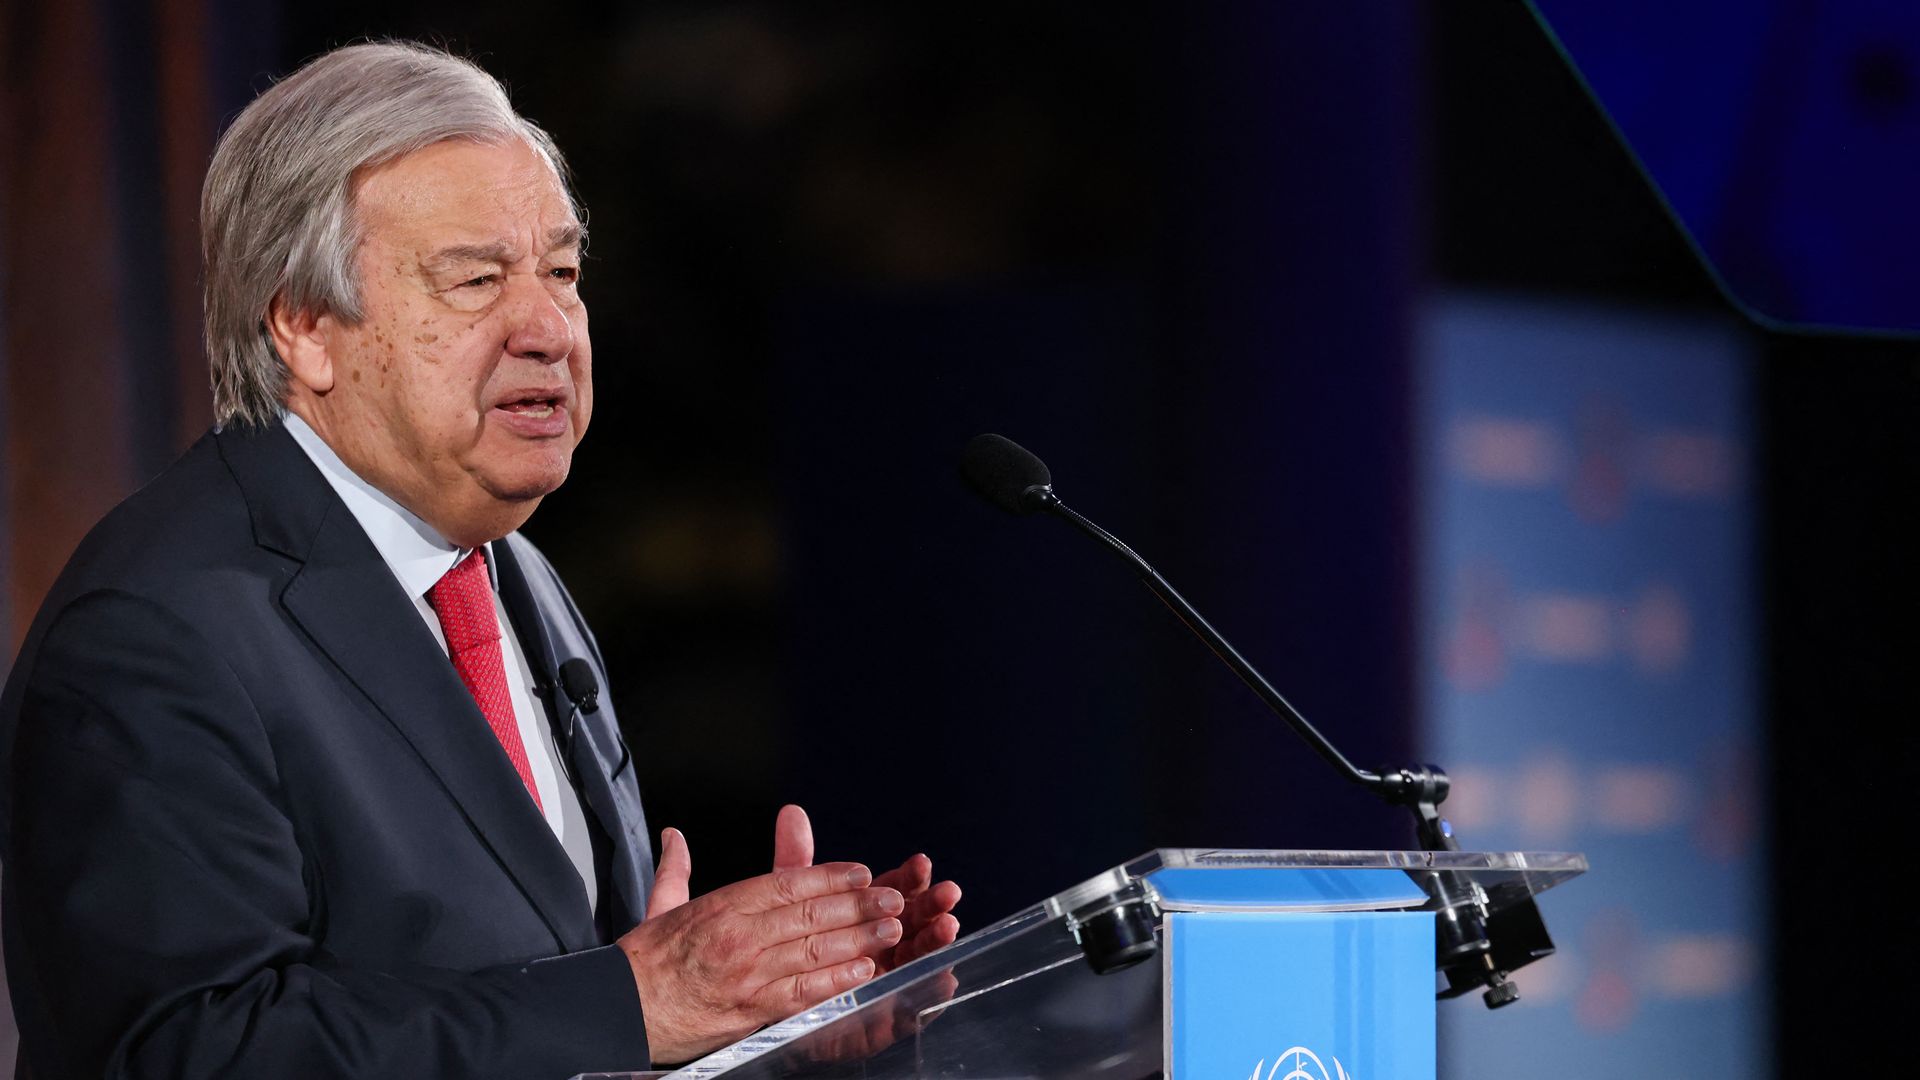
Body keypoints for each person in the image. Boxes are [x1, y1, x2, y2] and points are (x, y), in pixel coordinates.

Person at [0, 41, 959, 1080]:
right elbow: (186, 1051)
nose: (548, 326)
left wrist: (757, 1028)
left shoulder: (508, 571)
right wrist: (638, 1001)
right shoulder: (157, 631)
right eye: (475, 280)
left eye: (561, 272)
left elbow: (542, 981)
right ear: (304, 326)